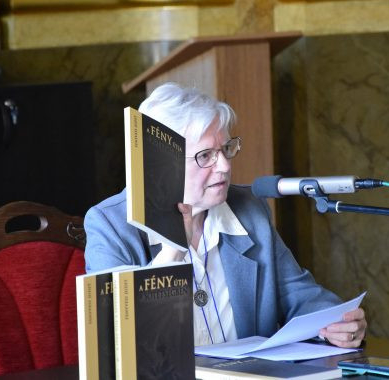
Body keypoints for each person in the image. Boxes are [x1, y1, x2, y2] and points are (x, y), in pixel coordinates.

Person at [84, 82, 367, 347]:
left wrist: (339, 323)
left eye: (226, 149)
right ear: (161, 165)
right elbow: (117, 338)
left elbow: (301, 297)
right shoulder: (109, 225)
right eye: (205, 155)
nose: (224, 166)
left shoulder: (249, 210)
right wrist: (171, 253)